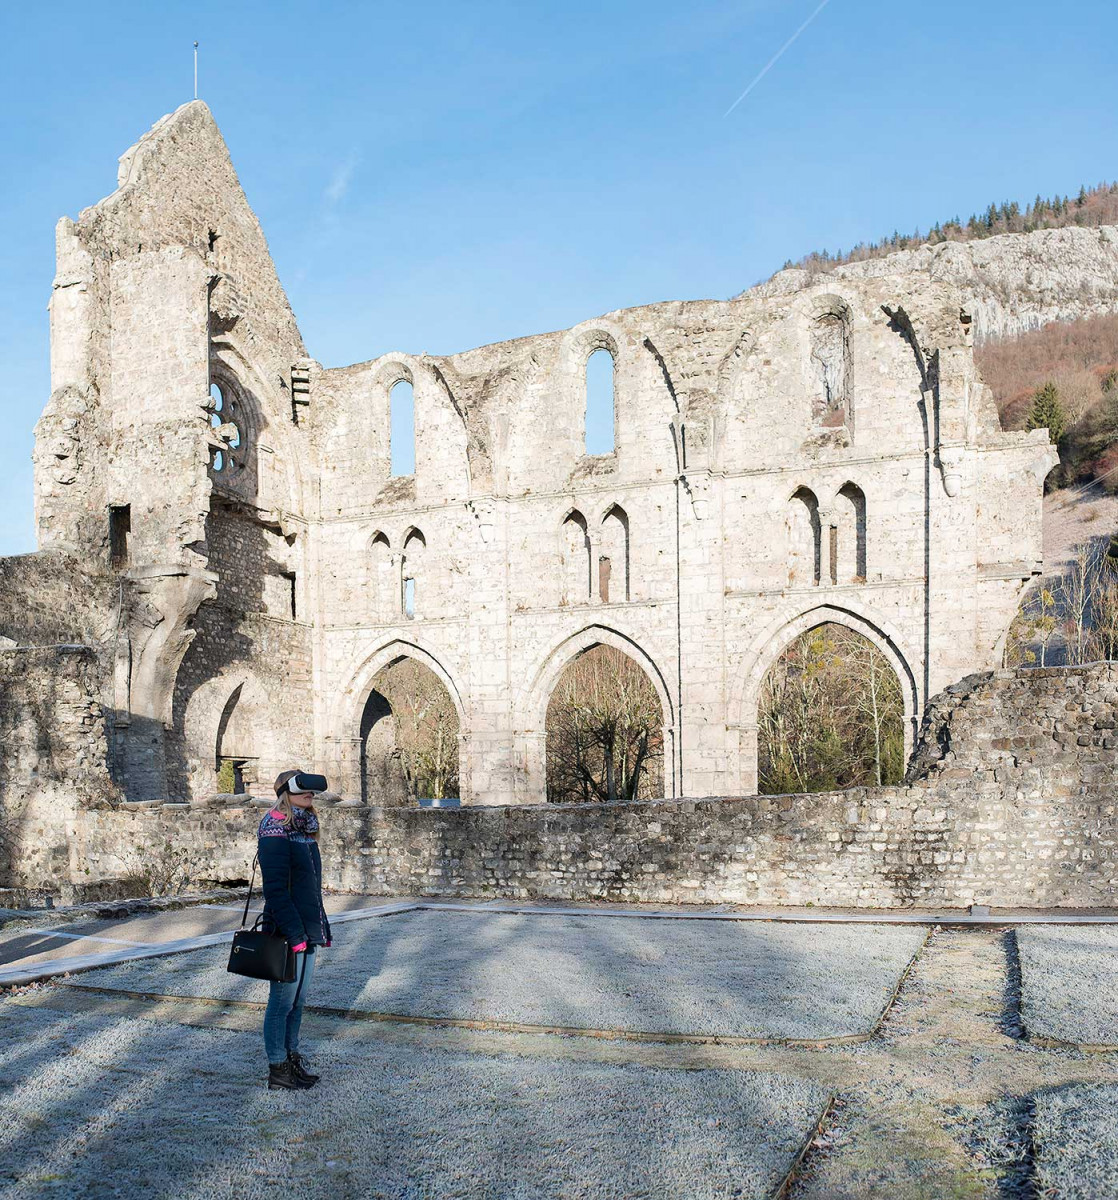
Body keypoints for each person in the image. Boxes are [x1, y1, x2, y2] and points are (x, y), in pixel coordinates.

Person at [258, 768, 332, 1090]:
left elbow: (309, 885)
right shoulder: (274, 827)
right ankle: (278, 1069)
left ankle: (292, 1059)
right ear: (286, 793)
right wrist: (296, 935)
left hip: (308, 926)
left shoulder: (304, 827)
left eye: (312, 795)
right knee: (282, 1002)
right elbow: (274, 889)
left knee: (298, 1001)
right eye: (304, 794)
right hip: (287, 931)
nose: (310, 798)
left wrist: (315, 929)